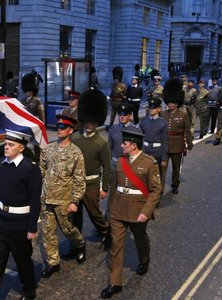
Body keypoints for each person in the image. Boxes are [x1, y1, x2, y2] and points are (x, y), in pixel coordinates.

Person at [0, 130, 42, 300]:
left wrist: (32, 228)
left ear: (21, 148)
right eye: (6, 144)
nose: (6, 147)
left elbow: (35, 200)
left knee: (23, 264)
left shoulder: (30, 169)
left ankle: (29, 291)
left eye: (11, 145)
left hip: (20, 226)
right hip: (1, 223)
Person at [100, 127, 162, 299]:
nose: (121, 146)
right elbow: (114, 188)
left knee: (140, 238)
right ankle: (115, 283)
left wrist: (146, 212)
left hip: (138, 211)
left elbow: (156, 190)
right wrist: (109, 210)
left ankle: (144, 259)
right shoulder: (120, 162)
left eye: (124, 143)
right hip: (118, 210)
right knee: (116, 246)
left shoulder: (150, 163)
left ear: (133, 145)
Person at [40, 115, 86, 278]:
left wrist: (75, 200)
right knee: (48, 232)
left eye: (63, 127)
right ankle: (53, 263)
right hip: (47, 198)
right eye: (58, 127)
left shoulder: (76, 153)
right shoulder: (48, 149)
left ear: (70, 130)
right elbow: (42, 171)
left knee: (67, 229)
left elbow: (79, 179)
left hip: (64, 200)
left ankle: (80, 245)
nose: (59, 129)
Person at [70, 89, 111, 245]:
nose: (89, 125)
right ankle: (77, 242)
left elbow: (107, 167)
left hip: (91, 184)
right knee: (75, 216)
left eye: (92, 122)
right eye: (87, 122)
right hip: (74, 183)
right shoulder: (74, 138)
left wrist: (105, 188)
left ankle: (105, 232)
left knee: (95, 213)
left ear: (97, 122)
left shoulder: (102, 143)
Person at [160, 79, 193, 194]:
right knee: (162, 170)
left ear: (177, 102)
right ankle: (159, 190)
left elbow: (187, 130)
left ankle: (175, 184)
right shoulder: (162, 114)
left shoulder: (183, 115)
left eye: (173, 102)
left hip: (177, 145)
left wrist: (189, 143)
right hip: (164, 146)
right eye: (169, 102)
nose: (171, 103)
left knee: (176, 167)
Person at [107, 103, 136, 205]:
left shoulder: (136, 130)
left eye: (125, 114)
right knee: (113, 189)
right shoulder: (113, 130)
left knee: (127, 190)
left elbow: (140, 151)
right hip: (115, 164)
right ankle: (110, 212)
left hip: (129, 164)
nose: (122, 116)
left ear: (130, 116)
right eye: (120, 114)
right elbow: (109, 149)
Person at [139, 98, 168, 188]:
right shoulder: (143, 122)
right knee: (144, 174)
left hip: (157, 153)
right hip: (145, 152)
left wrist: (164, 158)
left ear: (159, 109)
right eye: (150, 107)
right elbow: (140, 139)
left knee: (156, 177)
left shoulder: (163, 123)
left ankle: (156, 196)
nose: (152, 109)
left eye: (154, 108)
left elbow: (165, 141)